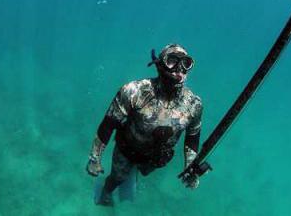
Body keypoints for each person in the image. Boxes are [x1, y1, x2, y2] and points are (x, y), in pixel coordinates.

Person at [86, 44, 203, 206]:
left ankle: (132, 175)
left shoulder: (193, 105)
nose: (179, 69)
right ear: (160, 64)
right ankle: (107, 191)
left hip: (156, 158)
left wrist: (191, 168)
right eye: (172, 61)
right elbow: (108, 124)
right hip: (126, 149)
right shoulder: (134, 92)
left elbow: (192, 137)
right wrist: (95, 158)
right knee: (117, 178)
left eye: (186, 63)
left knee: (144, 172)